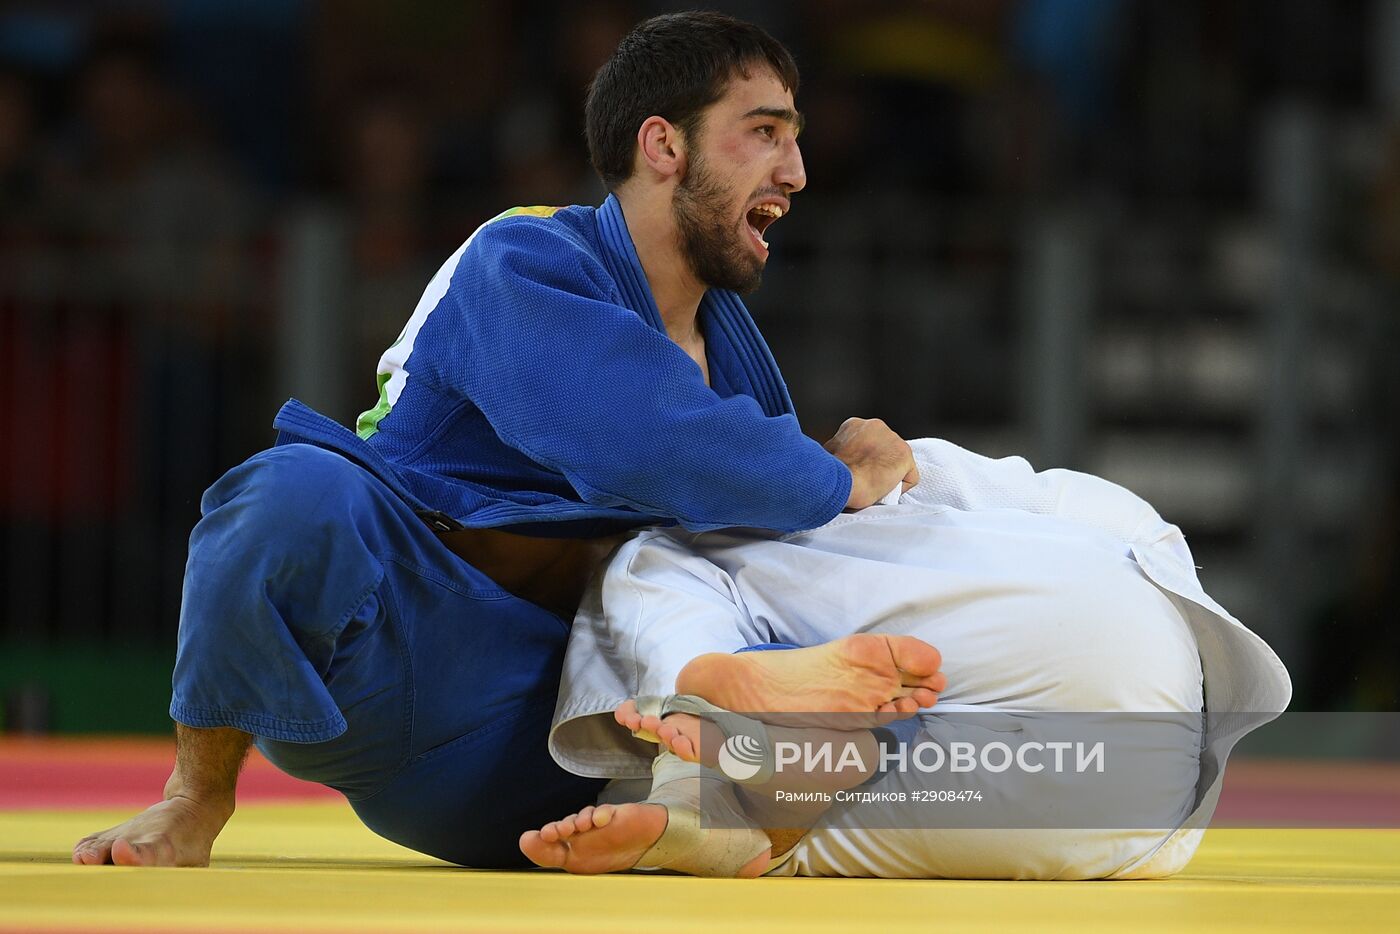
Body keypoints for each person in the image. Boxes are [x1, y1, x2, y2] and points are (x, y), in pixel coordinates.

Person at [71, 12, 947, 869]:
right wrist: (836, 473)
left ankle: (691, 821)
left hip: (551, 734)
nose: (794, 171)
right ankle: (195, 795)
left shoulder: (737, 363)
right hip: (396, 636)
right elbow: (639, 437)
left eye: (794, 141)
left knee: (870, 681)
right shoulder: (523, 255)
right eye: (763, 133)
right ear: (663, 145)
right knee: (290, 491)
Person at [520, 438, 1292, 880]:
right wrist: (901, 466)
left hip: (1096, 667)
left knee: (655, 554)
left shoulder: (658, 552)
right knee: (782, 836)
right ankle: (722, 811)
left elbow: (931, 476)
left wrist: (899, 467)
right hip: (1134, 815)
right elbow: (952, 479)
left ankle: (706, 714)